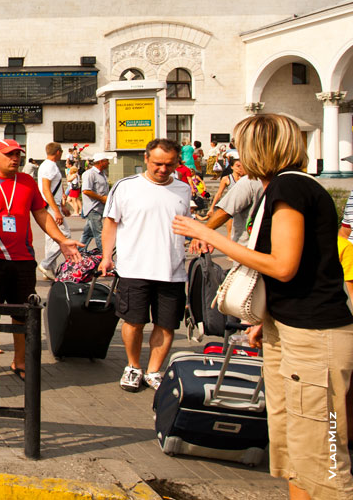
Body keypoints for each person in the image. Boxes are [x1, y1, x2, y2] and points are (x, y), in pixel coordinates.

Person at [172, 114, 353, 498]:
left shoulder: (290, 189)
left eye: (240, 145)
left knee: (320, 458)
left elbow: (283, 266)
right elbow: (304, 267)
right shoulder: (282, 188)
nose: (235, 154)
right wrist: (267, 319)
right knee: (292, 452)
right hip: (291, 329)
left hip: (313, 337)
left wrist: (208, 234)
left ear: (258, 149)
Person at [0, 140, 81, 381]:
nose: (15, 159)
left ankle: (20, 360)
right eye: (9, 154)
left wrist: (61, 240)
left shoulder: (27, 182)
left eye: (18, 154)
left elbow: (40, 213)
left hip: (23, 260)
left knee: (22, 313)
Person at [99, 139, 191, 392]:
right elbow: (110, 222)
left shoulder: (183, 189)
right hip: (134, 267)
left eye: (169, 165)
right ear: (146, 159)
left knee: (166, 324)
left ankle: (153, 370)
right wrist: (106, 256)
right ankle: (133, 366)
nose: (163, 169)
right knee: (134, 322)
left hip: (172, 270)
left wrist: (200, 239)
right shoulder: (126, 187)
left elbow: (186, 224)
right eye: (158, 164)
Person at [36, 142, 68, 280]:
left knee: (52, 239)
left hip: (51, 205)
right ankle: (46, 264)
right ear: (58, 152)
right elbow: (46, 189)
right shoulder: (50, 166)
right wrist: (57, 210)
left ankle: (49, 270)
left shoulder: (47, 165)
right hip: (51, 206)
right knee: (64, 236)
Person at [80, 153, 111, 251]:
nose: (108, 163)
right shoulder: (90, 174)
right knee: (100, 234)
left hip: (99, 208)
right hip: (93, 208)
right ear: (101, 162)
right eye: (107, 161)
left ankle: (78, 253)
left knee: (87, 234)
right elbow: (86, 191)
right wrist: (102, 198)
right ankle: (105, 256)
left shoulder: (103, 174)